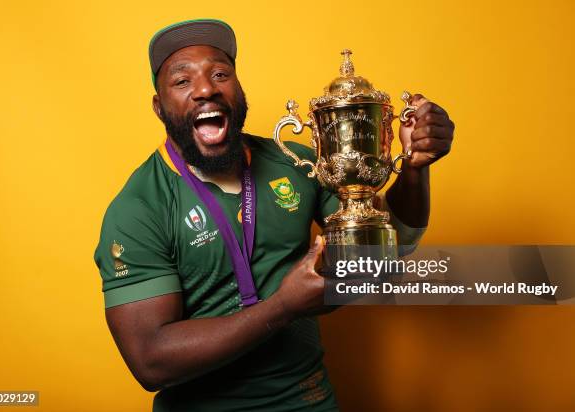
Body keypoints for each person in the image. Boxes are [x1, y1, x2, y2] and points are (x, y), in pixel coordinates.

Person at [94, 19, 454, 412]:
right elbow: (151, 361)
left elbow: (390, 246)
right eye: (182, 81)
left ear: (238, 88)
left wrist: (415, 167)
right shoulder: (139, 207)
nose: (205, 89)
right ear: (159, 107)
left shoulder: (295, 162)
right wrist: (282, 307)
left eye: (220, 73)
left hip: (311, 404)